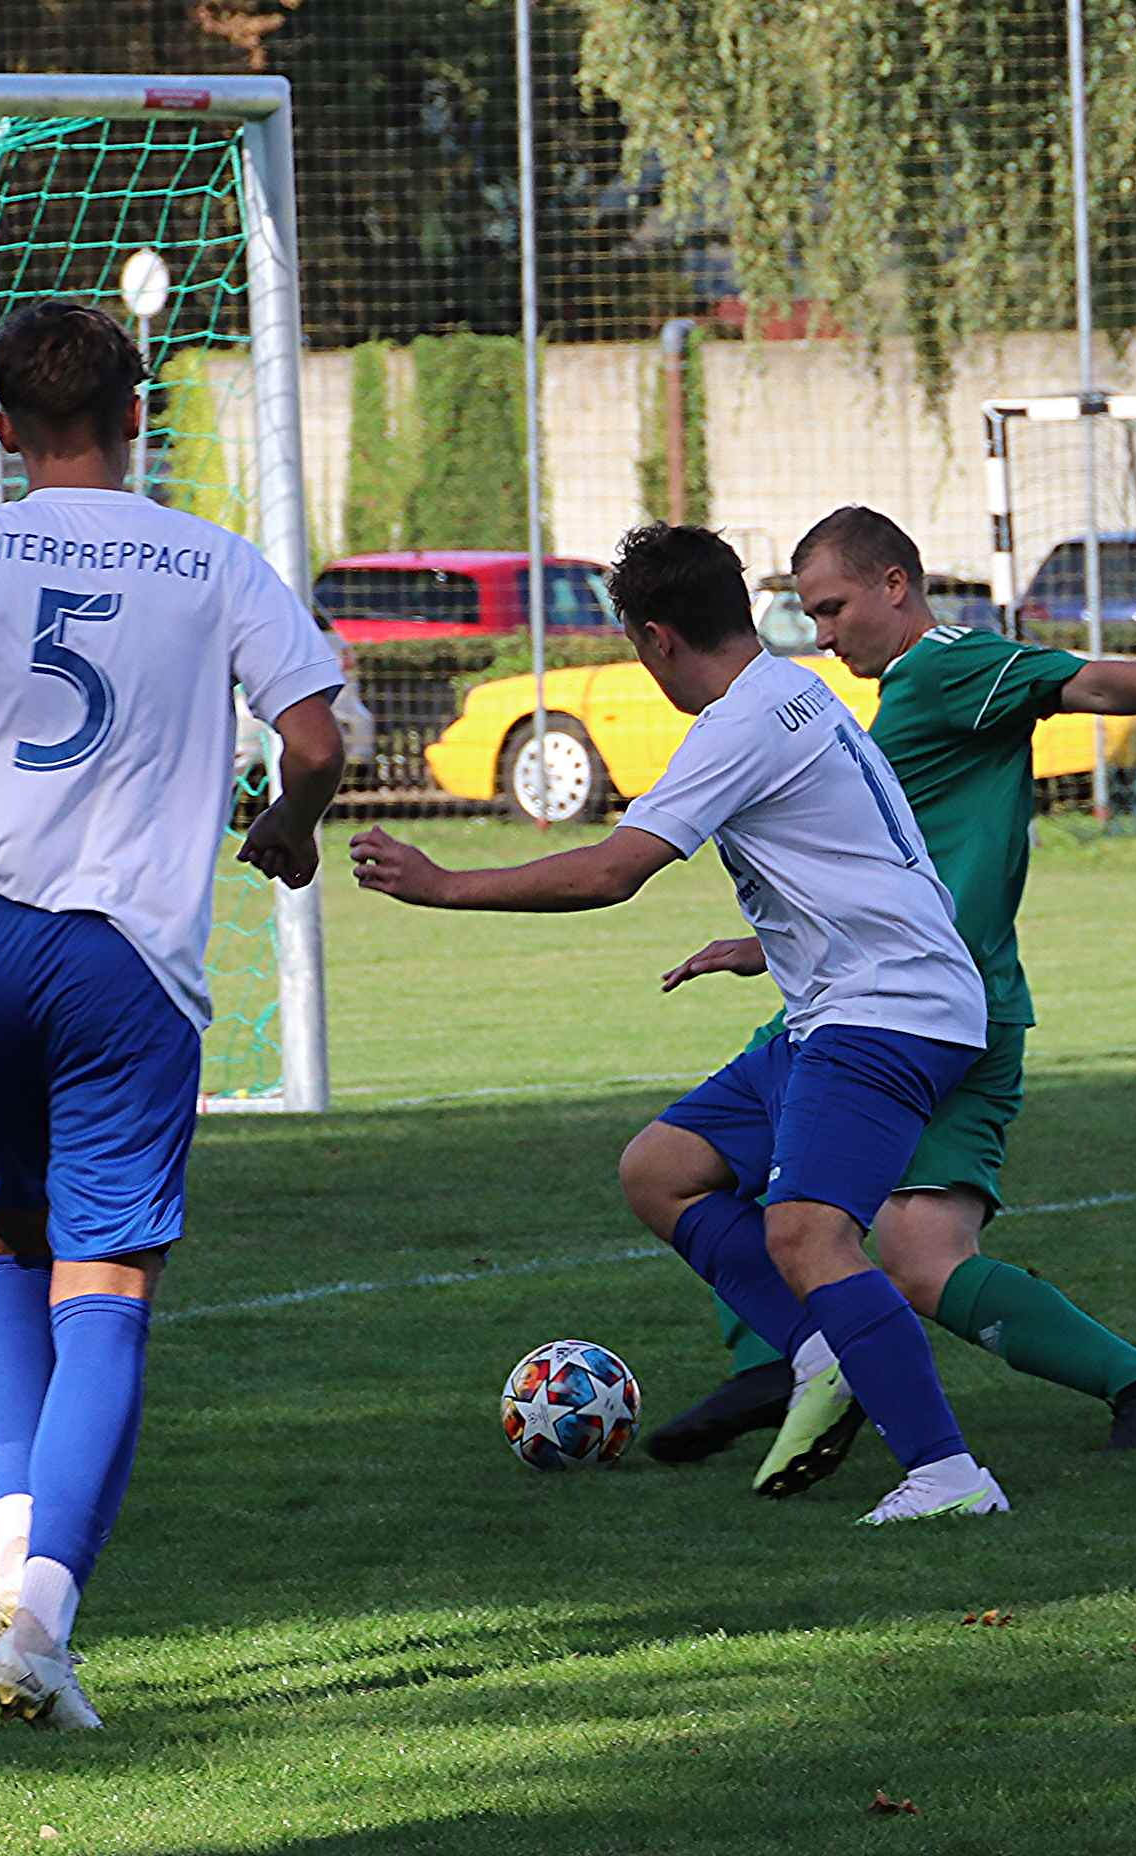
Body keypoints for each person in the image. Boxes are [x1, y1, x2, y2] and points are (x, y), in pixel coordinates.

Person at [0, 300, 345, 1730]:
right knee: (105, 1289)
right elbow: (315, 738)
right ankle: (38, 1626)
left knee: (8, 1252)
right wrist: (287, 825)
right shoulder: (213, 560)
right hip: (122, 962)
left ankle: (8, 1558)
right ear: (136, 415)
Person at [643, 505, 1136, 1485]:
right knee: (726, 1179)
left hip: (920, 1009)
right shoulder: (892, 704)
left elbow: (1084, 680)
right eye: (810, 616)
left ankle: (824, 1372)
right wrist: (765, 944)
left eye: (832, 608)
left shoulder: (944, 666)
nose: (824, 636)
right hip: (877, 994)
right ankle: (796, 1362)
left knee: (862, 1232)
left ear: (894, 585)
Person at [353, 522, 1007, 1527]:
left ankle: (947, 1473)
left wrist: (443, 884)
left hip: (885, 1011)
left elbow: (613, 871)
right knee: (661, 1168)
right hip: (852, 998)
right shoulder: (792, 689)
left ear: (656, 638)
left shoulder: (742, 724)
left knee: (808, 1233)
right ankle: (822, 1347)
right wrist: (768, 943)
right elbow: (863, 857)